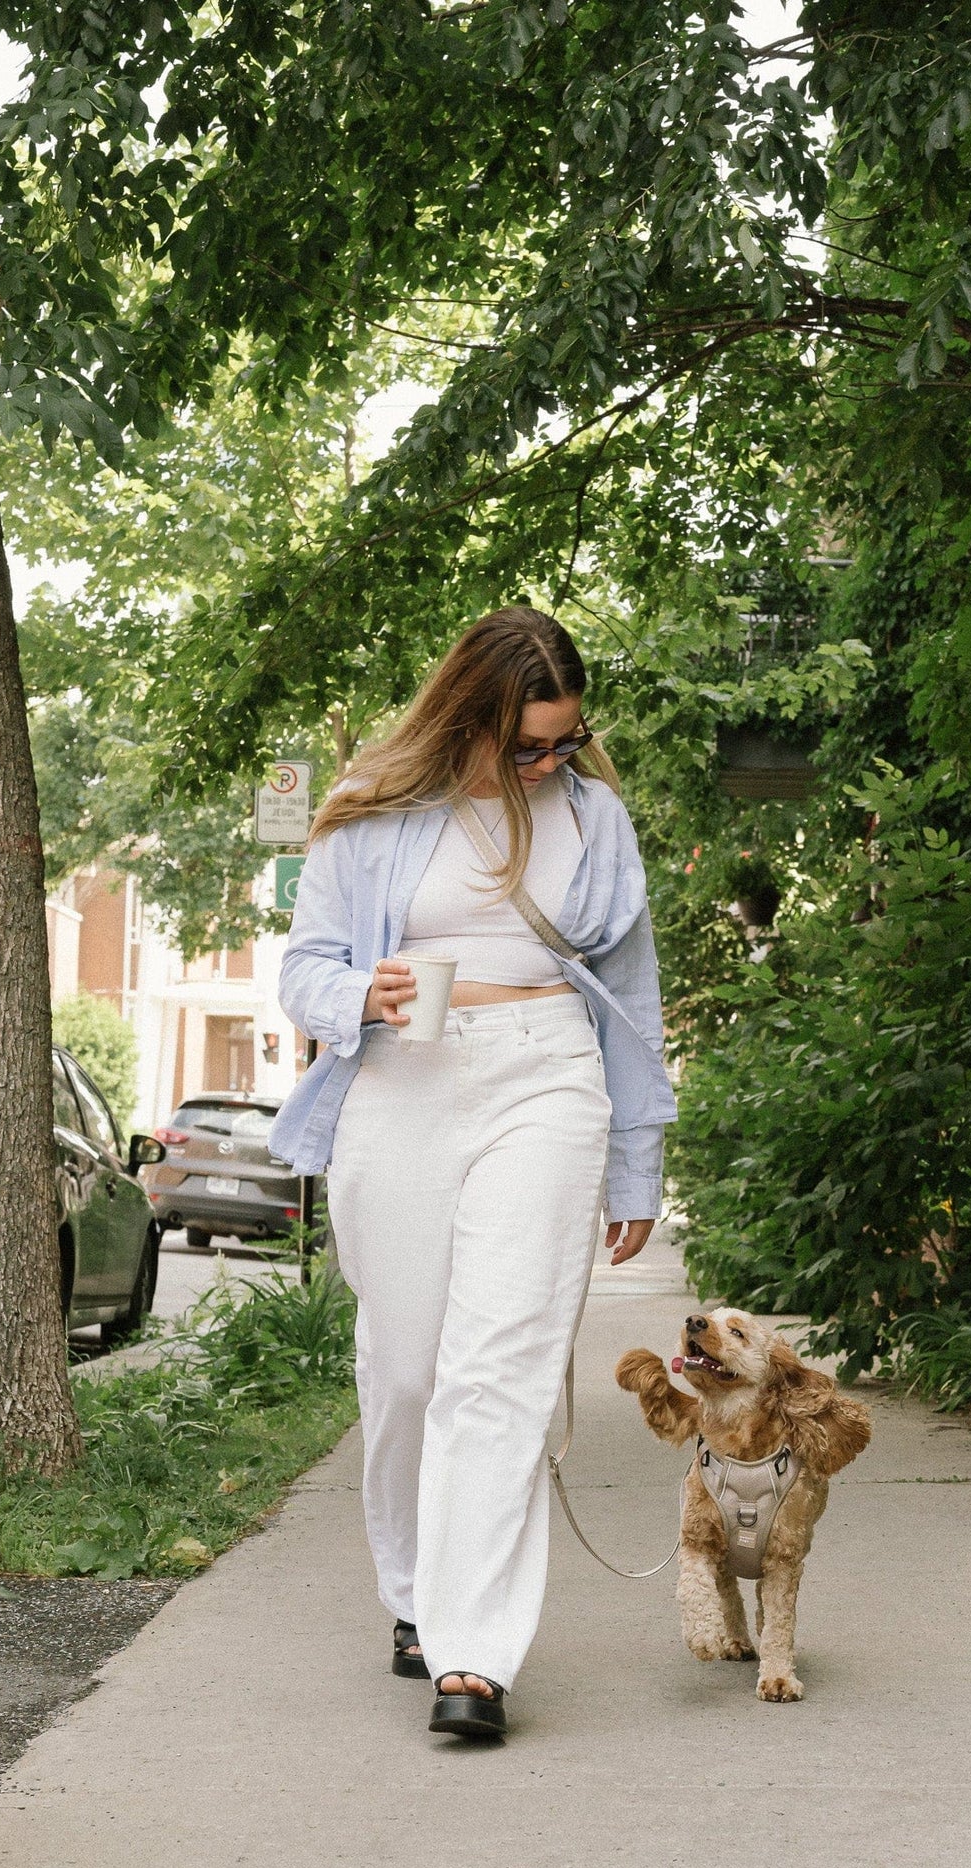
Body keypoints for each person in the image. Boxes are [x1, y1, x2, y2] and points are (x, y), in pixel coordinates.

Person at [270, 608, 675, 1741]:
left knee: (500, 1370)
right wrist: (361, 995)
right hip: (403, 1083)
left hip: (547, 1076)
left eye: (567, 740)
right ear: (472, 719)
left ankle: (475, 1657)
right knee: (407, 1373)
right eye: (529, 744)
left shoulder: (596, 820)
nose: (550, 763)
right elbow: (302, 966)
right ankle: (413, 1596)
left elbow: (632, 998)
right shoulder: (373, 812)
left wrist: (635, 1164)